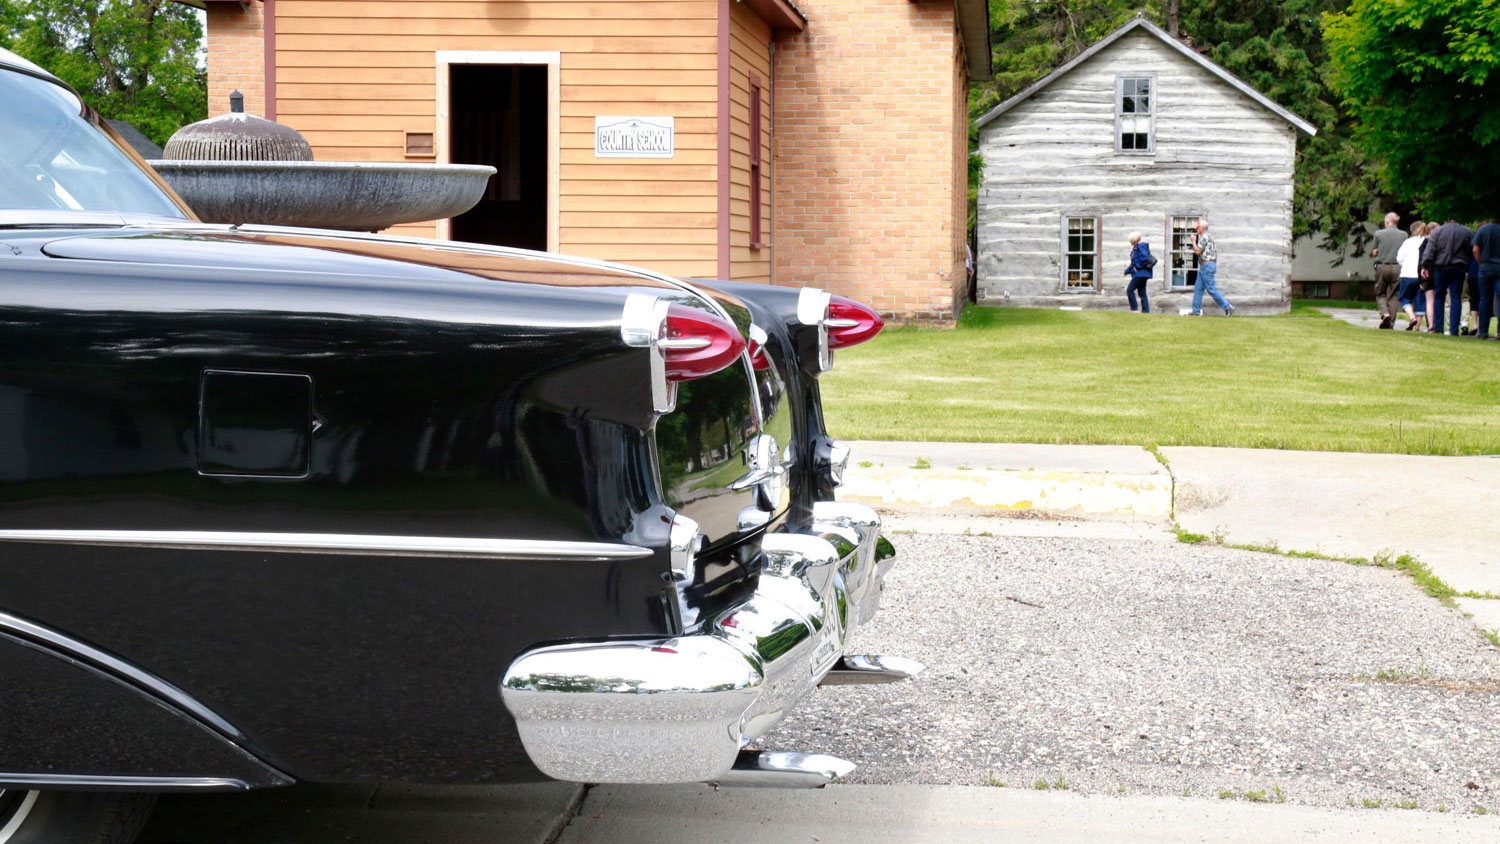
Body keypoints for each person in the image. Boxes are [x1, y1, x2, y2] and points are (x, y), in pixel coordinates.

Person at [1421, 218, 1474, 335]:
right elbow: (1471, 250)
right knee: (1456, 297)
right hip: (1459, 267)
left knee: (1439, 295)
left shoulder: (1438, 231)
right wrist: (1467, 263)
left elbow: (1430, 250)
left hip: (1441, 266)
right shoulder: (1467, 231)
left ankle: (1438, 326)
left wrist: (1425, 265)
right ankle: (1454, 328)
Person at [1190, 218, 1233, 316]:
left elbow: (1197, 251)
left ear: (1202, 228)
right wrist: (1212, 263)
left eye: (1197, 228)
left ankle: (1228, 307)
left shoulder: (1204, 237)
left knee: (1211, 289)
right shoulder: (1210, 237)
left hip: (1206, 265)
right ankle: (1196, 311)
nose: (1196, 229)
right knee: (1198, 288)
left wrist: (1193, 241)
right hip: (1207, 265)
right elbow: (1216, 253)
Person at [1370, 211, 1405, 329]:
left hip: (1382, 266)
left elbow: (1374, 251)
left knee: (1380, 293)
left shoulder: (1379, 234)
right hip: (1398, 267)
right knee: (1394, 295)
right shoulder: (1404, 235)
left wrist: (1376, 252)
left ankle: (1385, 314)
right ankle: (1391, 323)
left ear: (1387, 222)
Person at [1395, 220, 1427, 330]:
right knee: (1420, 300)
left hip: (1407, 274)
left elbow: (1399, 258)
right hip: (1421, 275)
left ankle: (1411, 317)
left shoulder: (1408, 242)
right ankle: (1417, 326)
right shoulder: (1426, 242)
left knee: (1405, 298)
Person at [1476, 217, 1500, 339]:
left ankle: (1483, 330)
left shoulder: (1483, 229)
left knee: (1485, 298)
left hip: (1485, 266)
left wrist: (1481, 262)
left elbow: (1475, 249)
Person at [1123, 231, 1152, 313]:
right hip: (1141, 273)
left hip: (1141, 273)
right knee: (1142, 292)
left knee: (1130, 290)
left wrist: (1137, 267)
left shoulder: (1141, 246)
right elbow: (1134, 262)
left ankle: (1134, 309)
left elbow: (1145, 258)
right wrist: (1127, 271)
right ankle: (1146, 312)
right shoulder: (1137, 247)